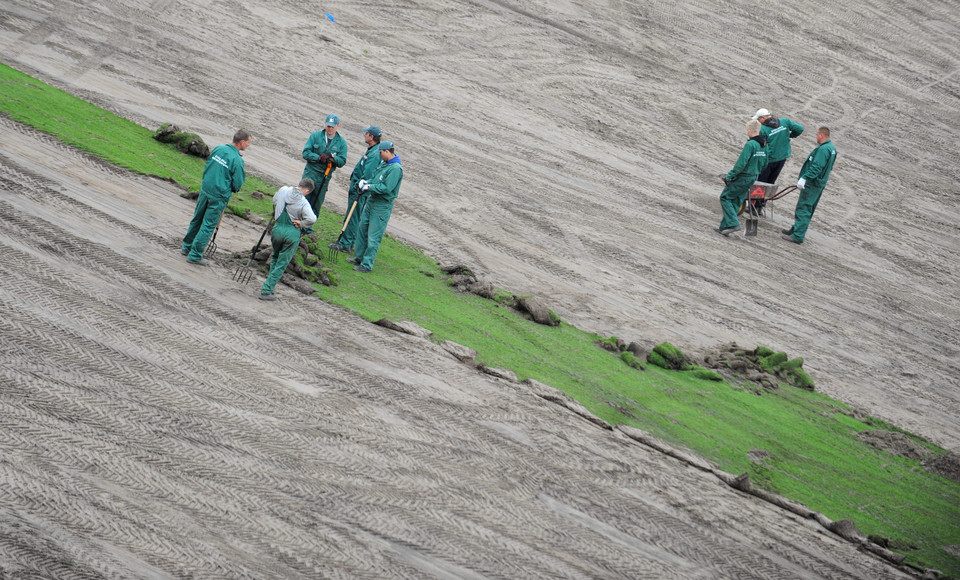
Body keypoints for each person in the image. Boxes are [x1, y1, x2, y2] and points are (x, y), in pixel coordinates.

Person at [181, 129, 251, 265]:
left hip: (206, 189)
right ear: (242, 142)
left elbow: (208, 166)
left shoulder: (218, 149)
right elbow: (237, 185)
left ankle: (186, 247)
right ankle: (195, 255)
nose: (249, 145)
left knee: (197, 219)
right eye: (248, 142)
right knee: (208, 225)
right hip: (219, 196)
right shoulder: (237, 160)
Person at [347, 140, 403, 273]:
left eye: (381, 152)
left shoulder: (395, 169)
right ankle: (359, 257)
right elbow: (376, 179)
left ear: (387, 152)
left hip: (382, 205)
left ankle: (367, 264)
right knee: (363, 229)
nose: (379, 154)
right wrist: (366, 182)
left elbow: (386, 188)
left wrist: (369, 187)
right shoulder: (384, 164)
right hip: (372, 200)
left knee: (373, 235)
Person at [259, 178, 317, 300]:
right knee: (282, 263)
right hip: (291, 233)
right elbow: (312, 219)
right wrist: (301, 223)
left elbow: (274, 201)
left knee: (275, 255)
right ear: (306, 190)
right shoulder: (303, 202)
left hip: (277, 229)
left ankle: (270, 285)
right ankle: (266, 289)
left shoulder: (283, 190)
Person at [329, 125, 382, 254]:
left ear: (372, 136)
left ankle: (346, 244)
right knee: (353, 215)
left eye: (366, 133)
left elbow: (368, 174)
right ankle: (347, 241)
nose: (364, 135)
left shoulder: (375, 154)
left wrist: (359, 186)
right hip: (358, 188)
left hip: (360, 190)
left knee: (353, 216)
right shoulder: (372, 150)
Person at [782, 127, 837, 245]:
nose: (816, 137)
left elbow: (817, 167)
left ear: (822, 135)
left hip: (812, 184)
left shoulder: (823, 149)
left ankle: (798, 235)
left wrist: (805, 178)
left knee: (804, 208)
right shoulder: (832, 149)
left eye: (817, 135)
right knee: (808, 208)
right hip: (819, 183)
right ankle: (796, 229)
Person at [717, 120, 767, 236]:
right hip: (752, 177)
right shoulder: (764, 144)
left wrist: (730, 176)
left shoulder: (751, 144)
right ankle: (724, 227)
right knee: (737, 200)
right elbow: (765, 162)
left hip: (743, 177)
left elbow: (741, 163)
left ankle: (733, 223)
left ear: (750, 129)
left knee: (725, 198)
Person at [752, 108, 804, 215]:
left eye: (758, 120)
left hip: (768, 160)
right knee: (770, 182)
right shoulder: (785, 122)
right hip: (781, 159)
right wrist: (789, 136)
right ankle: (761, 205)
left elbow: (761, 145)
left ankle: (755, 206)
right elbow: (799, 129)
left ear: (762, 118)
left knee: (761, 182)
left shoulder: (763, 129)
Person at [301, 114, 348, 215]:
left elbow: (342, 161)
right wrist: (318, 158)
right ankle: (295, 224)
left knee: (316, 203)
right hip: (310, 173)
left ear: (338, 126)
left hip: (324, 177)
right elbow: (305, 153)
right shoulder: (315, 136)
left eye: (332, 126)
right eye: (328, 126)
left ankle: (307, 228)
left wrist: (332, 159)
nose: (330, 129)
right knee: (302, 199)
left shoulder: (341, 143)